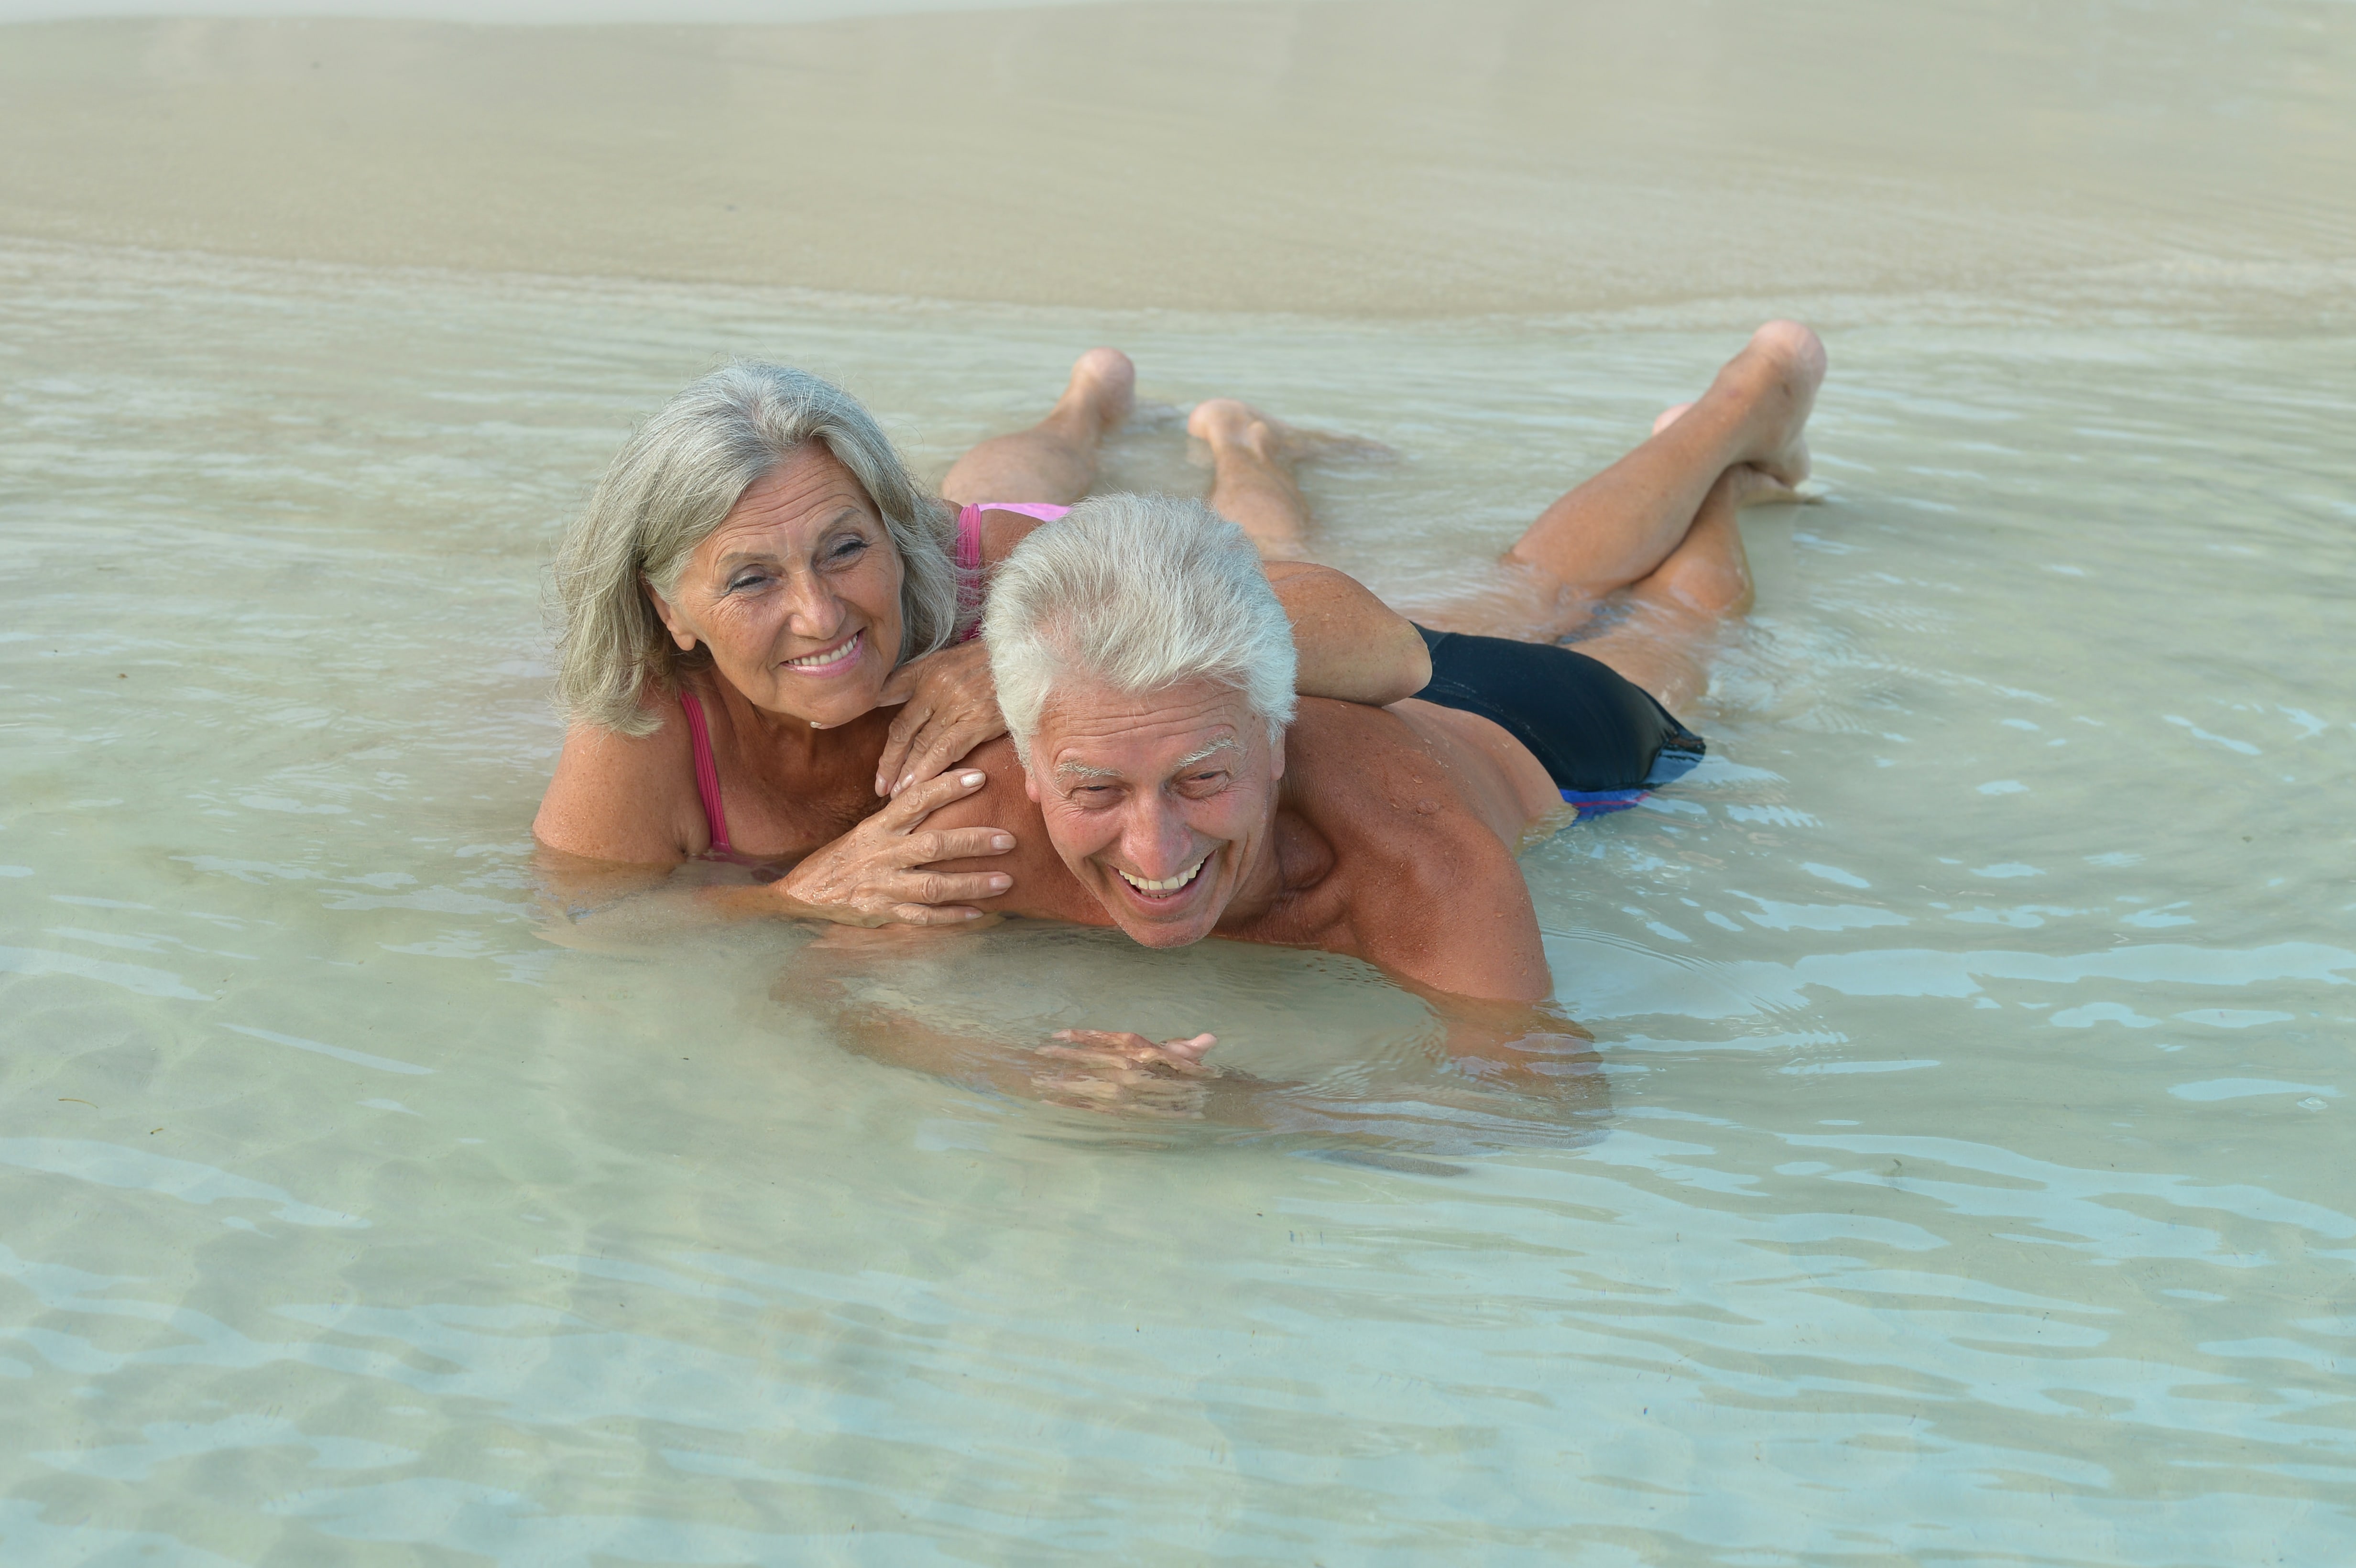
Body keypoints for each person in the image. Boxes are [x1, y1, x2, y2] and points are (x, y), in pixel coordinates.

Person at [905, 323, 1824, 1078]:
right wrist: (1030, 1076)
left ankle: (1735, 444)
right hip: (1352, 664)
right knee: (1530, 587)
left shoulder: (1415, 855)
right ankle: (1246, 442)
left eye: (1203, 782)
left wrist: (1235, 1115)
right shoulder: (985, 814)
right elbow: (825, 996)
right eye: (1098, 792)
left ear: (1276, 743)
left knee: (1678, 628)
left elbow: (1545, 1091)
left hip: (1539, 730)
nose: (1154, 849)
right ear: (1029, 772)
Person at [531, 353, 1431, 923]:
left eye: (847, 549)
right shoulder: (646, 716)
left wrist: (1023, 671)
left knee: (1256, 547)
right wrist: (792, 898)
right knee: (993, 473)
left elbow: (1396, 652)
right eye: (751, 577)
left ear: (893, 533)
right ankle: (1088, 402)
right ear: (669, 610)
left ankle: (1245, 444)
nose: (820, 614)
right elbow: (590, 919)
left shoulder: (994, 577)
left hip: (1020, 554)